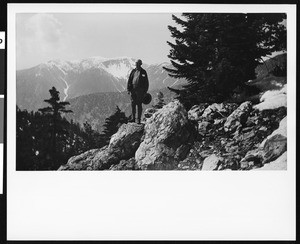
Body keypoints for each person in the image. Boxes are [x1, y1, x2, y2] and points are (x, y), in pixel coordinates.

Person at [127, 59, 149, 124]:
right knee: (133, 104)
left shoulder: (143, 72)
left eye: (138, 63)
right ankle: (133, 118)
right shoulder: (133, 71)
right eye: (136, 63)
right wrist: (128, 89)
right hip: (133, 90)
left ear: (140, 64)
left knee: (139, 105)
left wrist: (145, 91)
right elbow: (130, 80)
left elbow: (146, 82)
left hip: (140, 91)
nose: (137, 65)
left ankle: (138, 120)